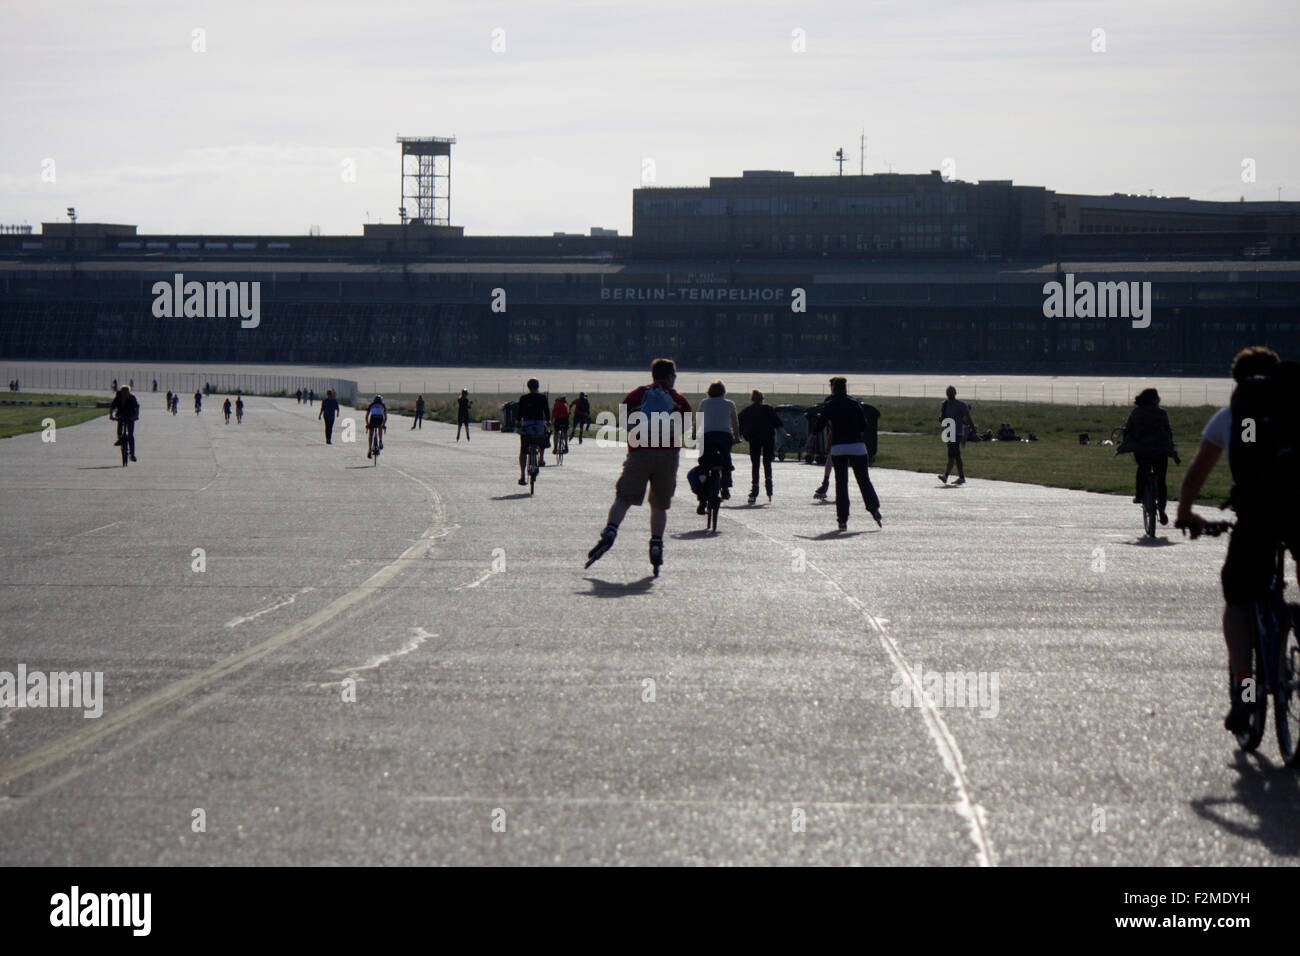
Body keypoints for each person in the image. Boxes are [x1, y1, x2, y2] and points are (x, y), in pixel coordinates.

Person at [1178, 346, 1297, 736]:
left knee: (1239, 601)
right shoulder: (1296, 409)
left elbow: (1197, 472)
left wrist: (1187, 513)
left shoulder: (1233, 416)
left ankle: (1245, 692)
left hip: (1260, 515)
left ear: (1238, 382)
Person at [585, 358, 692, 573]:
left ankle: (611, 531)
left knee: (623, 498)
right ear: (670, 376)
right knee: (659, 504)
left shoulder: (637, 395)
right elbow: (686, 426)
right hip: (667, 456)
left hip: (639, 453)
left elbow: (624, 421)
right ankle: (656, 544)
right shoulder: (678, 399)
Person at [810, 377, 881, 531]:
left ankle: (842, 519)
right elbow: (864, 425)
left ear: (833, 388)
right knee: (864, 480)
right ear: (845, 387)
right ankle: (874, 508)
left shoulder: (830, 405)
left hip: (839, 447)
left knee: (841, 484)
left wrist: (812, 437)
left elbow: (819, 425)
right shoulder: (854, 404)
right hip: (857, 446)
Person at [1116, 388, 1178, 524]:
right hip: (1160, 450)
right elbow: (1168, 432)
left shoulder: (1136, 412)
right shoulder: (1162, 413)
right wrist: (1171, 447)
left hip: (1141, 449)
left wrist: (1126, 444)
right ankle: (1161, 509)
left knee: (1142, 469)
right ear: (1155, 399)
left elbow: (1128, 430)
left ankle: (1139, 496)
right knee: (1161, 480)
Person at [694, 380, 740, 514]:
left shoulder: (704, 402)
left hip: (708, 436)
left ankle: (702, 501)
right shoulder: (730, 404)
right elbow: (735, 423)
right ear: (723, 392)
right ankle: (725, 487)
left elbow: (698, 420)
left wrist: (693, 435)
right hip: (725, 436)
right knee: (726, 460)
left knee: (704, 464)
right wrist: (737, 438)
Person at [738, 390, 791, 504]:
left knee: (755, 464)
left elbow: (739, 421)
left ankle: (755, 488)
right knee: (767, 462)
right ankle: (769, 484)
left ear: (752, 399)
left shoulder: (748, 410)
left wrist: (739, 435)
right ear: (762, 399)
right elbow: (777, 424)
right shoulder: (768, 409)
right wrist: (785, 434)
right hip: (768, 438)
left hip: (754, 439)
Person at [938, 386, 976, 485]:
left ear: (955, 393)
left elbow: (968, 418)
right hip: (948, 432)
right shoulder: (944, 404)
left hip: (957, 433)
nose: (950, 394)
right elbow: (942, 418)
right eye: (948, 392)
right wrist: (941, 419)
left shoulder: (961, 405)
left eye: (951, 392)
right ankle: (962, 477)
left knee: (951, 455)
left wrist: (973, 430)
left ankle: (945, 476)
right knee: (957, 456)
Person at [516, 379, 550, 484]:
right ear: (538, 386)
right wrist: (548, 421)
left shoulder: (523, 398)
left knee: (523, 450)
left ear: (528, 387)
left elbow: (519, 413)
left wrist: (517, 422)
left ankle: (522, 475)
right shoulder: (543, 397)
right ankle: (541, 459)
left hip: (527, 426)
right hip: (539, 425)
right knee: (543, 438)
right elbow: (547, 411)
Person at [108, 385, 139, 465]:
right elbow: (112, 406)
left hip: (130, 416)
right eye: (124, 392)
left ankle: (132, 454)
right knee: (119, 428)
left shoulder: (132, 398)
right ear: (121, 392)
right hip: (121, 415)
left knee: (130, 435)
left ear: (129, 392)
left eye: (127, 392)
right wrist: (111, 415)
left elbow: (136, 408)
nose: (126, 394)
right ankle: (120, 439)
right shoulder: (118, 397)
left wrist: (135, 416)